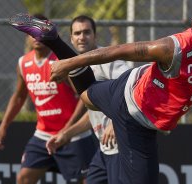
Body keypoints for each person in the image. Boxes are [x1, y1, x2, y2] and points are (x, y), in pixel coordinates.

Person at [9, 1, 192, 184]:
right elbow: (120, 50)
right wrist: (69, 64)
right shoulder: (174, 48)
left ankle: (53, 39)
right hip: (133, 114)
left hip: (129, 88)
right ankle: (58, 44)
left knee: (86, 97)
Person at [0, 14, 97, 184]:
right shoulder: (23, 63)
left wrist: (66, 131)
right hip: (43, 135)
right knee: (24, 178)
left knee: (86, 181)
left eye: (40, 32)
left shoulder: (60, 61)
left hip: (72, 135)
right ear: (28, 36)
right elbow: (20, 96)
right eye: (32, 33)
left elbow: (83, 96)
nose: (36, 37)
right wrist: (4, 125)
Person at [45, 15, 130, 184]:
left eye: (86, 32)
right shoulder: (78, 68)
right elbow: (94, 112)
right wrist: (66, 134)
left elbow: (132, 88)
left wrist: (115, 122)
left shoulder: (108, 60)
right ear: (71, 38)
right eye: (77, 33)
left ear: (95, 36)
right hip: (104, 149)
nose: (81, 37)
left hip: (122, 147)